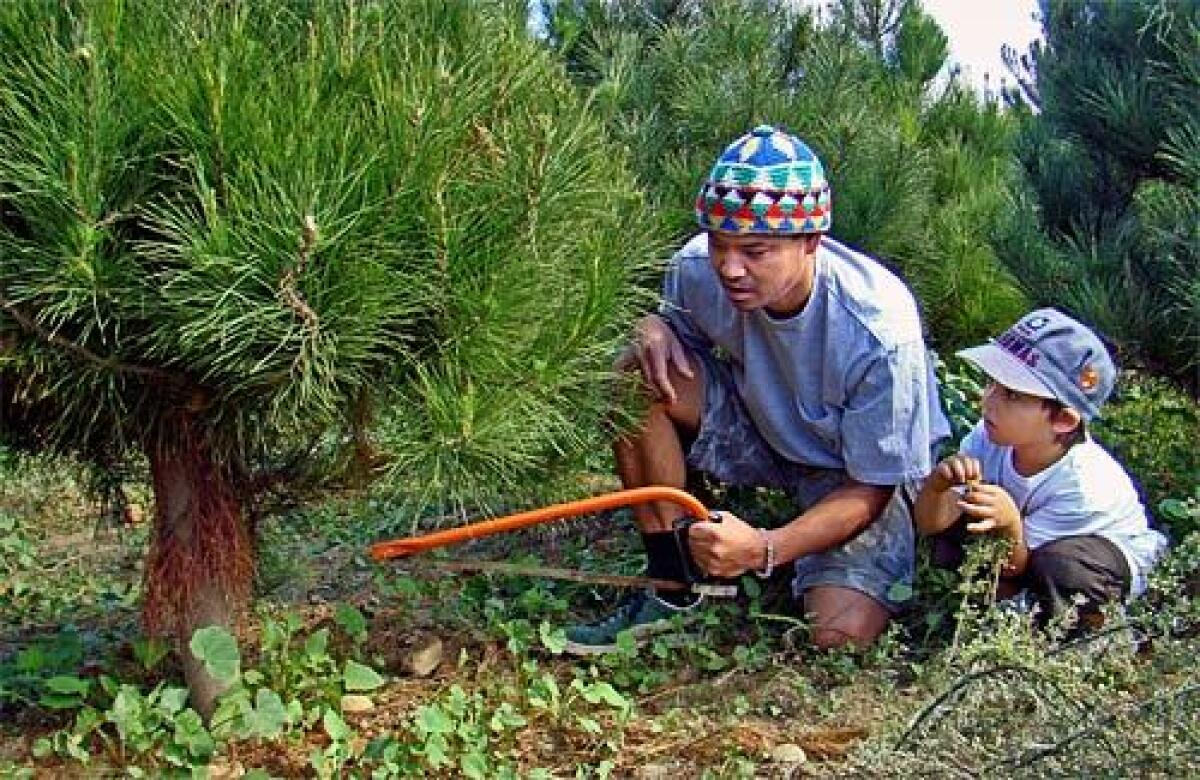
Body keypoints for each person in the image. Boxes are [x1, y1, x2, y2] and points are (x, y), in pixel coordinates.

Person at [563, 124, 950, 656]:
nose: (730, 268)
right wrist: (651, 324)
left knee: (838, 636)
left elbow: (871, 488)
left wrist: (765, 549)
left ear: (811, 242)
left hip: (853, 473)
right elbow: (678, 347)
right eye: (720, 245)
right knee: (638, 373)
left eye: (755, 250)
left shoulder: (879, 330)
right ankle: (675, 585)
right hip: (765, 427)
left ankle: (784, 555)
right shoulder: (698, 270)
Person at [914, 308, 1168, 632]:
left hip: (1101, 566)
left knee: (1061, 567)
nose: (988, 399)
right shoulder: (989, 434)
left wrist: (1009, 525)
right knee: (959, 529)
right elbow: (931, 525)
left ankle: (1102, 633)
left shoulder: (1085, 487)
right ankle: (1010, 617)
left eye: (1013, 394)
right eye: (992, 382)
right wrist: (938, 489)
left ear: (1063, 421)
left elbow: (1015, 567)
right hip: (1028, 551)